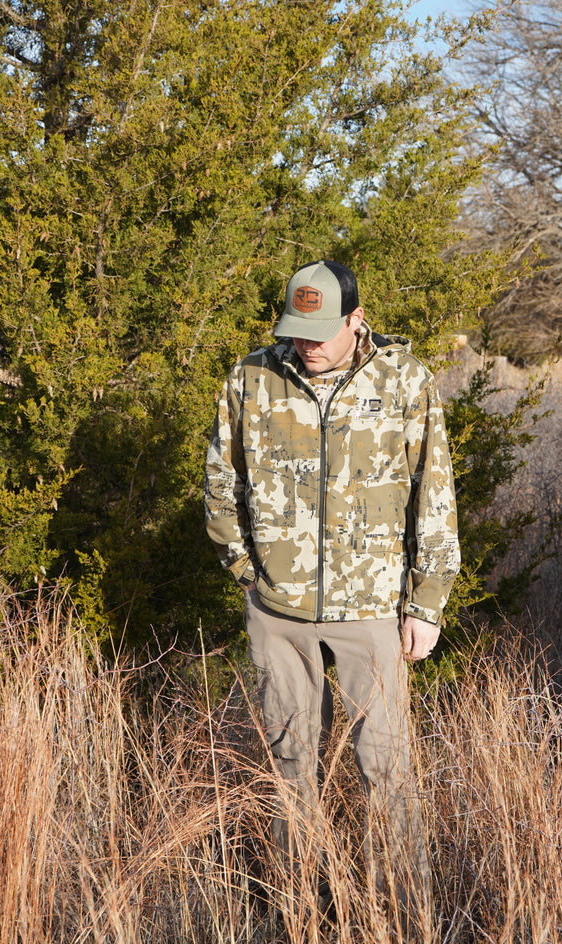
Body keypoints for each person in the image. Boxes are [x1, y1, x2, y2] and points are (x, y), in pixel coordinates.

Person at [203, 258, 459, 907]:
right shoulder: (251, 379)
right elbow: (219, 483)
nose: (306, 345)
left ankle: (402, 911)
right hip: (278, 608)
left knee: (386, 764)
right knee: (290, 763)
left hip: (371, 605)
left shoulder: (404, 379)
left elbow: (433, 494)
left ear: (356, 319)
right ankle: (298, 908)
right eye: (296, 330)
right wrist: (247, 572)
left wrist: (425, 602)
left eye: (319, 331)